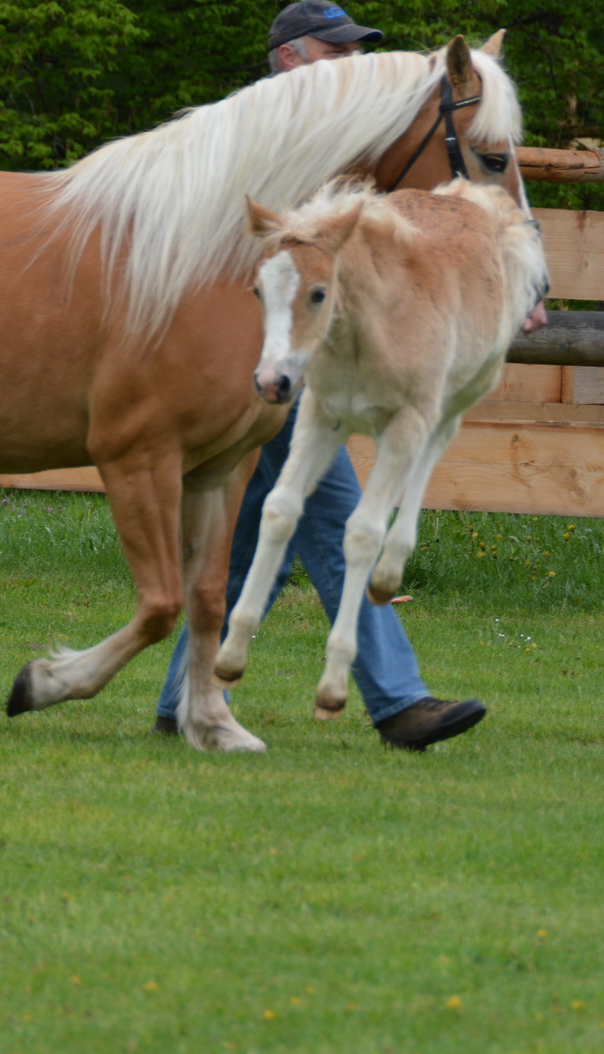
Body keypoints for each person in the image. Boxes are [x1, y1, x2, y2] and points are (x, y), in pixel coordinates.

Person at [153, 1, 488, 751]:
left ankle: (184, 694)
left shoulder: (325, 153)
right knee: (333, 512)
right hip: (260, 365)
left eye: (354, 51)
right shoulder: (257, 143)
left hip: (285, 366)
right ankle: (398, 700)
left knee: (252, 534)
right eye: (334, 51)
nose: (350, 65)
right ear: (290, 61)